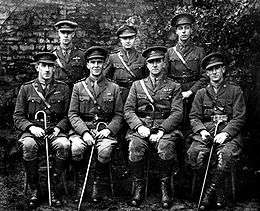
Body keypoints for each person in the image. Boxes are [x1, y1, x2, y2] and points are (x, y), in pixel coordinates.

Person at [124, 46, 183, 208]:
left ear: (163, 63)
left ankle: (165, 188)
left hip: (165, 130)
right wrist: (138, 127)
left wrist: (162, 130)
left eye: (158, 61)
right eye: (151, 62)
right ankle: (139, 186)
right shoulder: (137, 85)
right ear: (147, 65)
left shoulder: (174, 86)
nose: (155, 65)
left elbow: (177, 113)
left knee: (165, 147)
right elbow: (128, 110)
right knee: (135, 146)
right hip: (142, 128)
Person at [187, 52, 246, 210]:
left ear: (223, 69)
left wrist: (226, 133)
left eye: (217, 68)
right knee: (194, 154)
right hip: (206, 133)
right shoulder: (200, 93)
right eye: (210, 69)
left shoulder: (235, 91)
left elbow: (239, 117)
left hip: (228, 134)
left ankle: (210, 193)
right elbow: (194, 117)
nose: (214, 72)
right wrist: (202, 131)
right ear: (206, 73)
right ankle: (216, 190)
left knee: (225, 155)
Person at [13, 52, 71, 208]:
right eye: (43, 66)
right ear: (37, 67)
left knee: (64, 145)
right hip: (34, 132)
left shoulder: (63, 88)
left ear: (54, 68)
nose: (47, 69)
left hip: (54, 131)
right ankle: (35, 190)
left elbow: (68, 115)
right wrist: (31, 127)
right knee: (28, 145)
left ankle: (54, 188)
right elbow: (18, 116)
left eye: (50, 66)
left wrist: (59, 128)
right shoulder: (26, 88)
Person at [68, 46, 123, 203]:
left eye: (99, 62)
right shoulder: (78, 87)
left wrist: (109, 130)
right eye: (93, 62)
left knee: (105, 152)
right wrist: (84, 132)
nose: (96, 65)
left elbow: (119, 114)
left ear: (104, 64)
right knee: (76, 149)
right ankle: (80, 183)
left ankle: (97, 185)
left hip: (103, 130)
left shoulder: (114, 87)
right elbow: (72, 114)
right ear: (87, 65)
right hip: (82, 130)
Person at [165, 13, 207, 133]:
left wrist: (191, 91)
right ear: (176, 32)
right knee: (176, 124)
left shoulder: (199, 51)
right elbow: (165, 75)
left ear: (191, 30)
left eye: (186, 28)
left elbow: (204, 76)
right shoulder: (169, 52)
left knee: (193, 123)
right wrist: (174, 91)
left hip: (195, 92)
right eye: (180, 28)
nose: (184, 31)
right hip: (175, 93)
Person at [53, 20, 87, 89]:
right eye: (63, 32)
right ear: (58, 34)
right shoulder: (53, 56)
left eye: (69, 32)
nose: (66, 35)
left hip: (76, 93)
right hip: (58, 93)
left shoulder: (81, 55)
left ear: (73, 34)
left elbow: (87, 77)